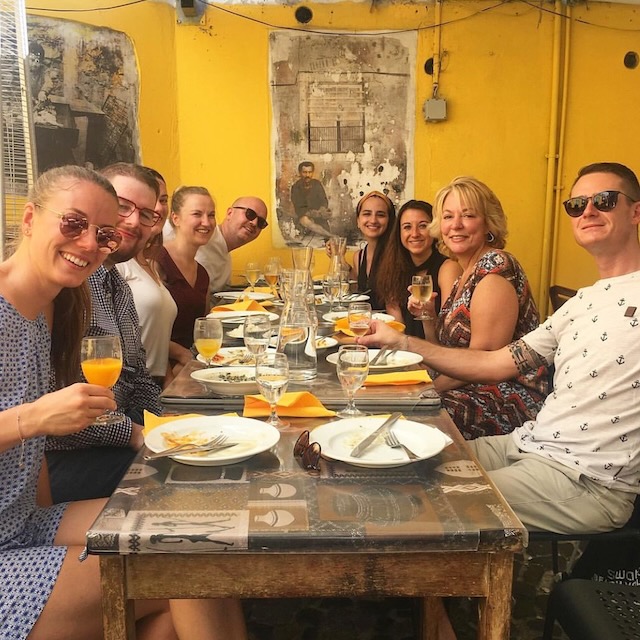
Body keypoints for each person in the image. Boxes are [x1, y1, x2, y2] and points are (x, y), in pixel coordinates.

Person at [0, 165, 247, 640]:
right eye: (73, 224)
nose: (90, 243)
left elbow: (31, 463)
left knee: (201, 534)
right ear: (30, 218)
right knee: (180, 558)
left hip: (23, 522)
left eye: (104, 234)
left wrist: (49, 528)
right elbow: (30, 427)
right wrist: (33, 419)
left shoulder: (45, 311)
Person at [360, 161, 640, 536]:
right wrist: (403, 341)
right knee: (395, 463)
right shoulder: (582, 302)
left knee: (419, 497)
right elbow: (493, 363)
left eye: (604, 200)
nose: (588, 211)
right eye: (576, 204)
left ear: (635, 211)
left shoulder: (496, 269)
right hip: (528, 443)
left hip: (586, 479)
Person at [45, 163, 164, 503]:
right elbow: (57, 407)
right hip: (64, 456)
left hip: (112, 438)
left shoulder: (117, 286)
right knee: (182, 483)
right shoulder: (66, 286)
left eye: (146, 214)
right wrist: (135, 434)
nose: (132, 221)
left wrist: (165, 425)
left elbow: (138, 376)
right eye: (123, 206)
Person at [410, 178, 548, 439]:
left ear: (488, 223)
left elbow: (484, 360)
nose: (456, 225)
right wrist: (427, 316)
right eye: (448, 216)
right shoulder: (464, 273)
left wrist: (428, 389)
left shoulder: (495, 266)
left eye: (468, 215)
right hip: (470, 385)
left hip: (508, 395)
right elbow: (446, 352)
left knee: (418, 417)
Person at [116, 168, 177, 388]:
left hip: (150, 388)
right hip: (127, 395)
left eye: (163, 200)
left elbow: (151, 346)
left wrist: (170, 387)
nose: (159, 208)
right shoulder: (116, 264)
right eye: (124, 206)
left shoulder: (149, 262)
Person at [376, 199, 461, 338]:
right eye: (407, 227)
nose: (415, 234)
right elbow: (397, 330)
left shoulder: (448, 268)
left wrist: (429, 316)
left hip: (439, 354)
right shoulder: (392, 269)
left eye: (423, 226)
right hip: (405, 355)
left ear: (434, 229)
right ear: (399, 233)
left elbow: (448, 337)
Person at [165, 195, 268, 303]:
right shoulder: (203, 234)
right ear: (230, 213)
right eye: (250, 214)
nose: (254, 223)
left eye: (261, 222)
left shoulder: (226, 259)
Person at [158, 185, 214, 374]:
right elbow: (142, 329)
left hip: (192, 364)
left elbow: (203, 328)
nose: (206, 222)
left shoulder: (203, 274)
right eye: (197, 214)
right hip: (161, 368)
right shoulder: (157, 262)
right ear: (175, 218)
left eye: (211, 215)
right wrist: (181, 355)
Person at [350, 191, 396, 310]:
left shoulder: (396, 256)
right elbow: (356, 292)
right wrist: (338, 257)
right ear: (358, 221)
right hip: (364, 323)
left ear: (390, 221)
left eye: (380, 215)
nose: (373, 220)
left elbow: (394, 307)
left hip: (388, 325)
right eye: (367, 214)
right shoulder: (359, 257)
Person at [290, 161, 332, 238]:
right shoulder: (296, 187)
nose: (307, 175)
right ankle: (332, 236)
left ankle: (329, 236)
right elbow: (299, 208)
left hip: (319, 215)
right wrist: (311, 213)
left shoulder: (317, 184)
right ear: (300, 173)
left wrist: (322, 210)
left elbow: (324, 201)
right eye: (304, 172)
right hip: (305, 216)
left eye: (309, 172)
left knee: (325, 228)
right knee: (305, 220)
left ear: (312, 173)